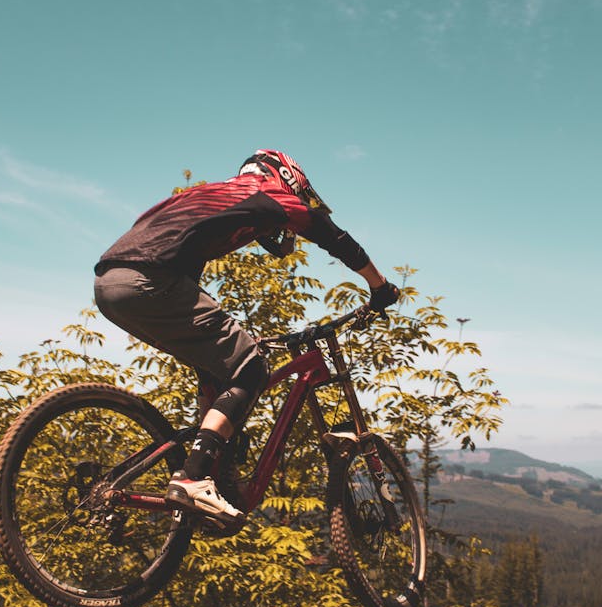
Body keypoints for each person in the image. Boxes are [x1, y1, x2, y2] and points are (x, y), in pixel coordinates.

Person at [93, 149, 399, 525]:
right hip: (151, 280)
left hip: (110, 282)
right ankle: (193, 477)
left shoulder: (211, 196)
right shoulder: (269, 194)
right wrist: (378, 286)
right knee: (252, 367)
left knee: (220, 367)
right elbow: (332, 235)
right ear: (288, 180)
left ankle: (212, 474)